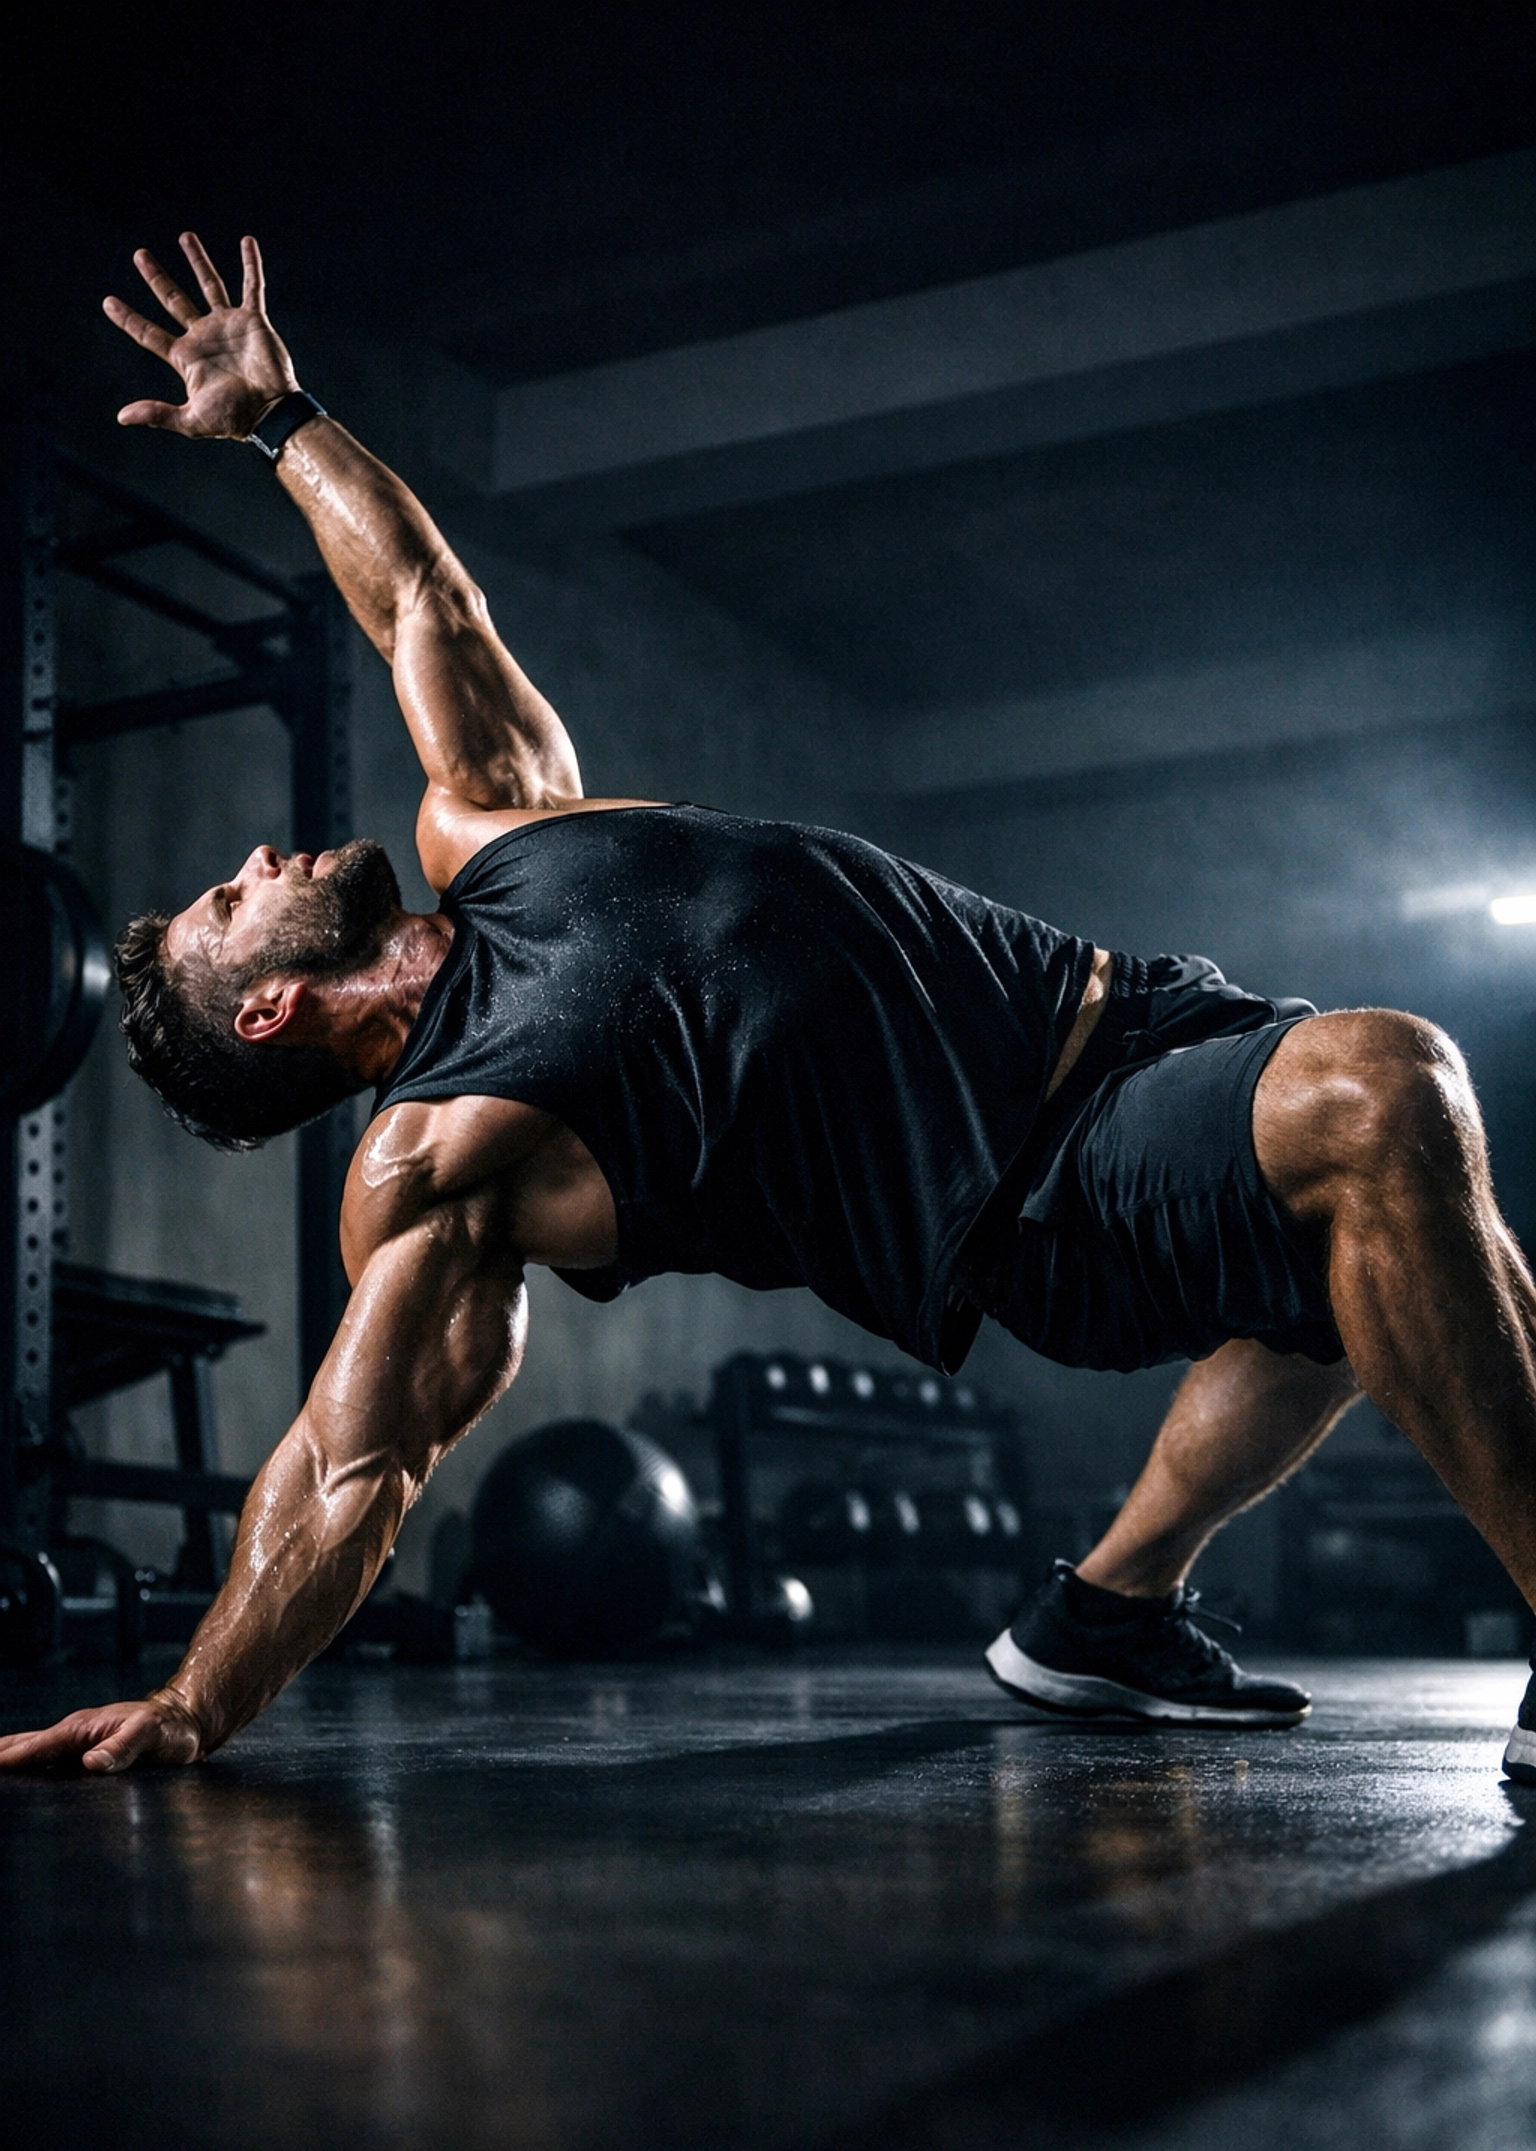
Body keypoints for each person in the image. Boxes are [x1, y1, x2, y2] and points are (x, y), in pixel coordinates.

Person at [4, 233, 1535, 1781]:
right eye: (227, 900)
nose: (257, 859)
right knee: (1390, 1091)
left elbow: (418, 603)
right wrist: (198, 1698)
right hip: (1036, 1179)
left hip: (1132, 1019)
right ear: (267, 1011)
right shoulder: (437, 1157)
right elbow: (352, 1460)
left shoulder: (493, 831)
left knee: (1388, 1274)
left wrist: (281, 420)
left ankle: (1108, 1611)